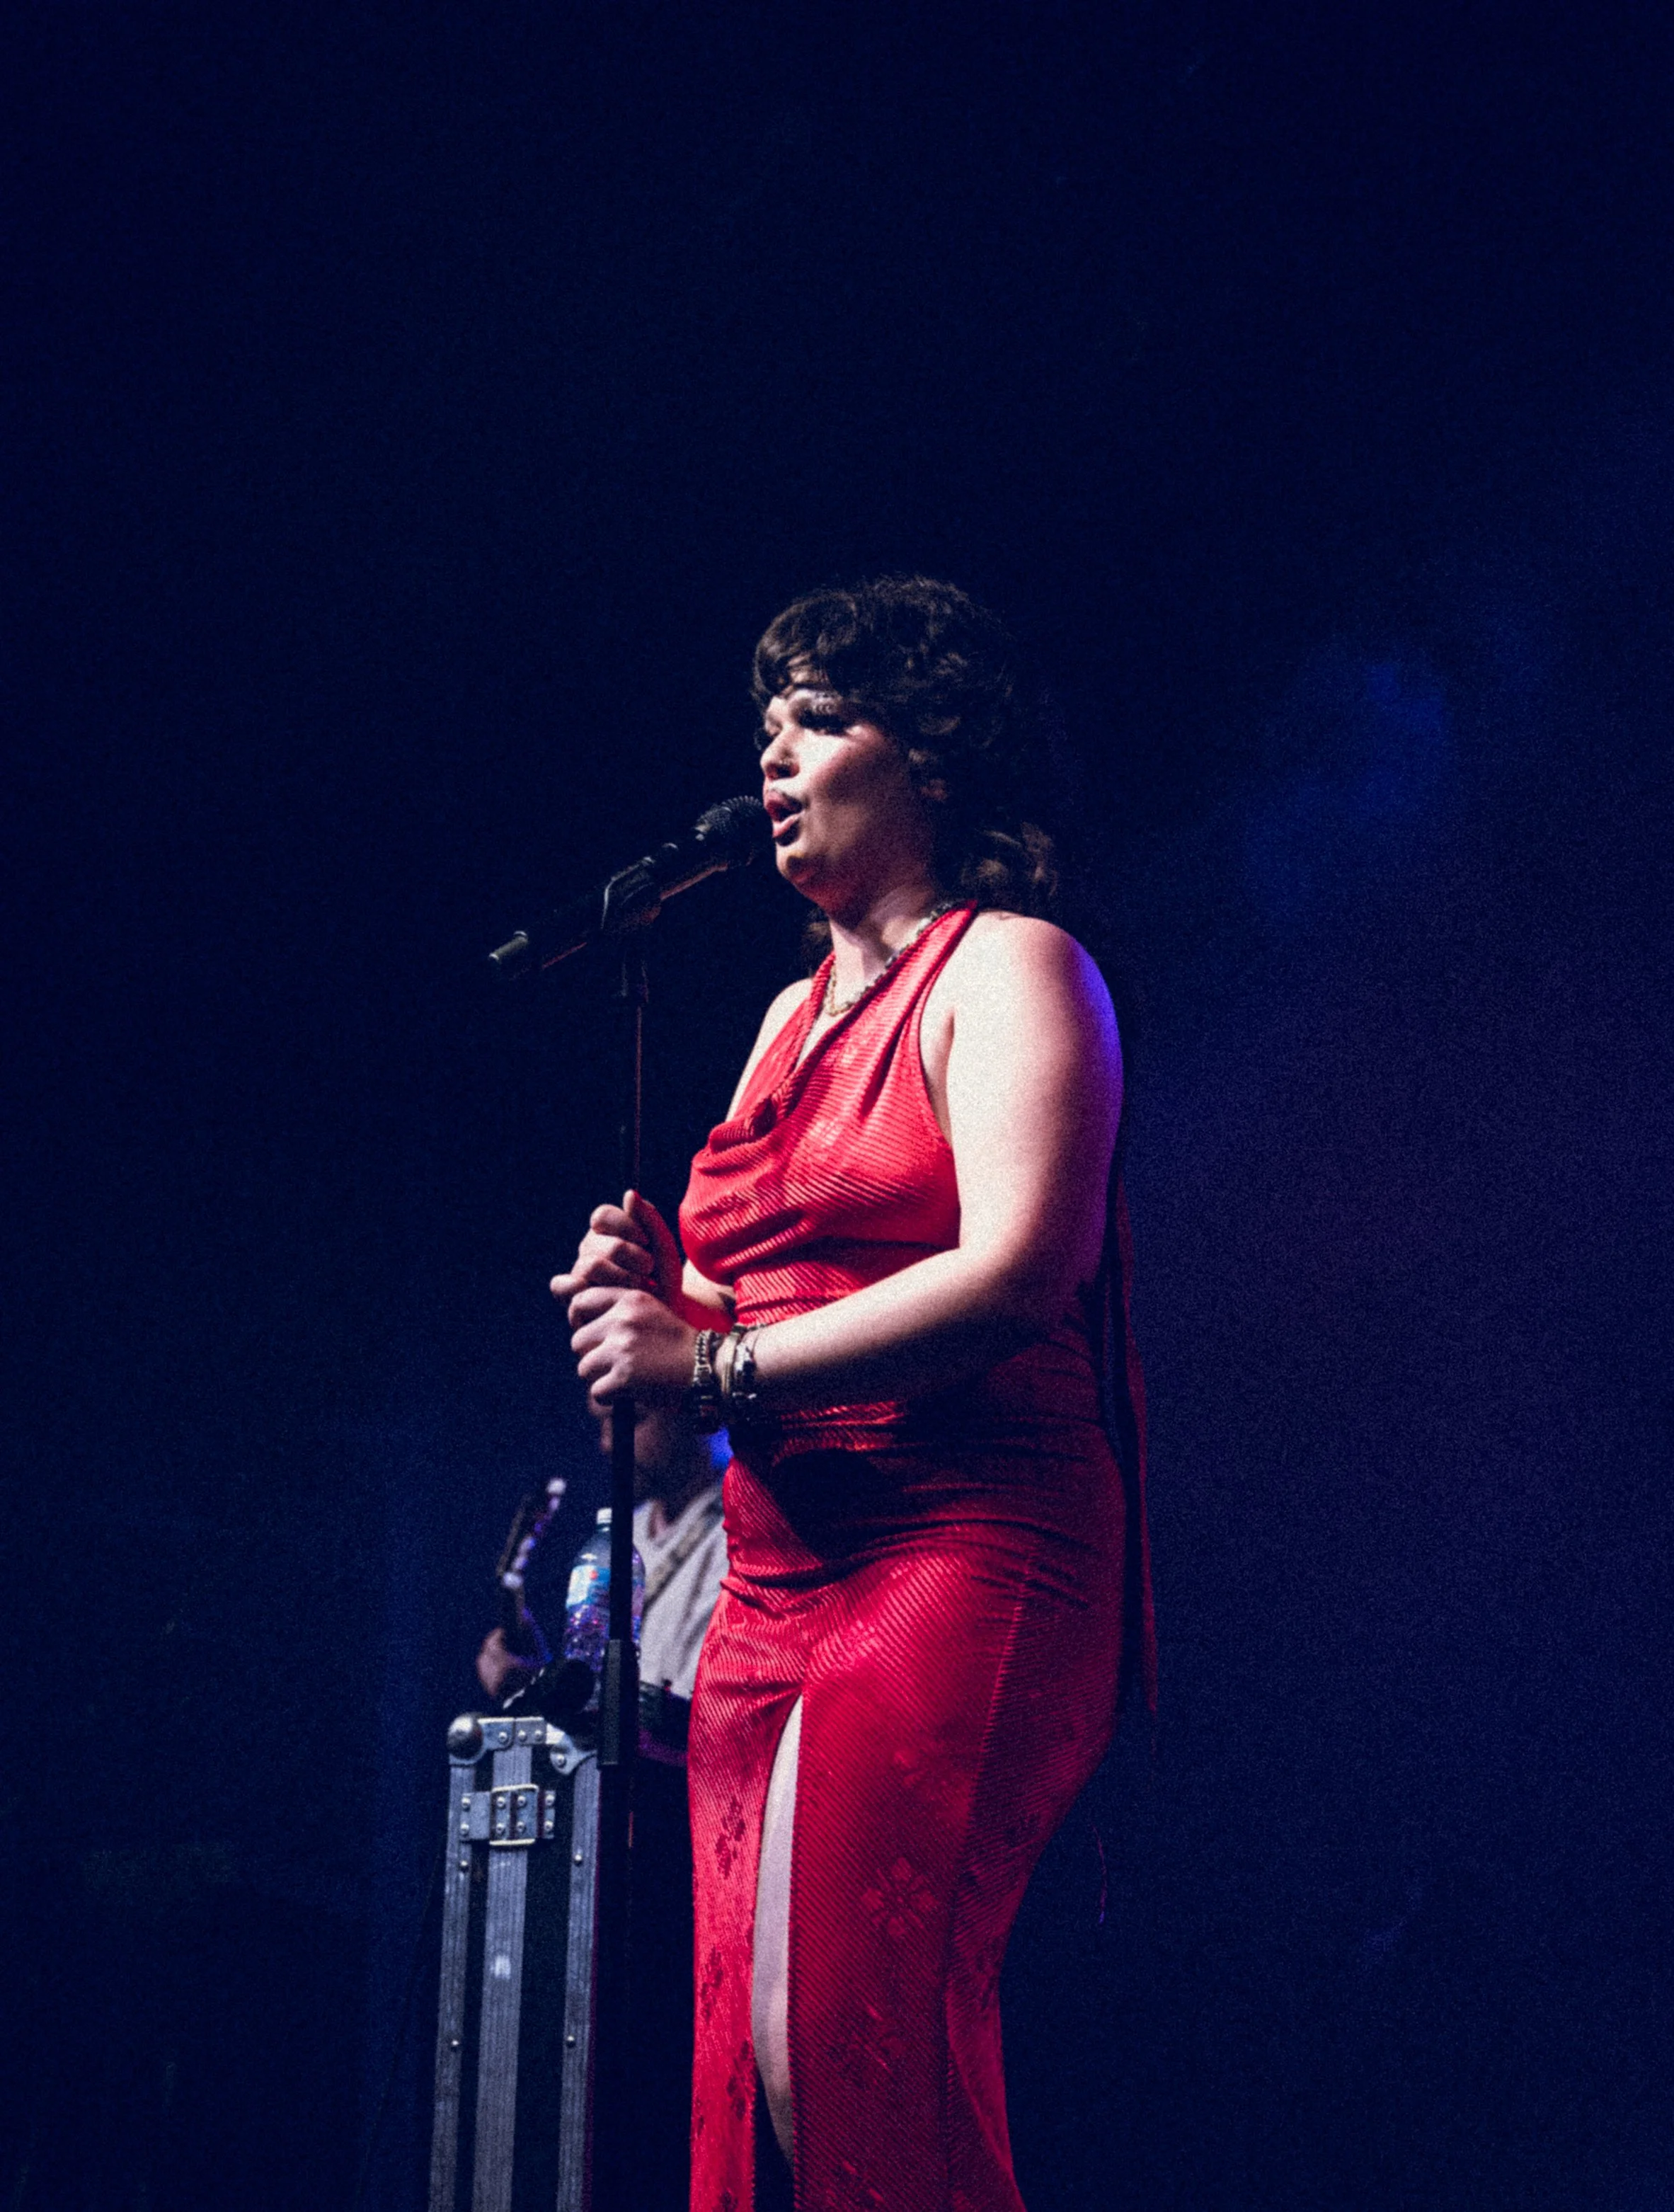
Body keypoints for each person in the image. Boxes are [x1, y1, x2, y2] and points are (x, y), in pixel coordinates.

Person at [551, 575, 1155, 2212]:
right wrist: (648, 1309)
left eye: (818, 717)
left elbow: (1021, 1266)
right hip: (771, 1580)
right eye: (766, 723)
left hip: (965, 1540)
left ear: (932, 758)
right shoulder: (779, 1019)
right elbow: (702, 1359)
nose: (773, 752)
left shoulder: (1012, 967)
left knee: (842, 2034)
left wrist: (708, 1356)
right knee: (753, 2073)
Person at [476, 1404, 728, 1705]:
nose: (608, 1444)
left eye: (631, 1419)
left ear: (700, 1415)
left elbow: (699, 1713)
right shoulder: (625, 1532)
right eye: (603, 1423)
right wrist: (546, 1685)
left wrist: (548, 1694)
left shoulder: (741, 1533)